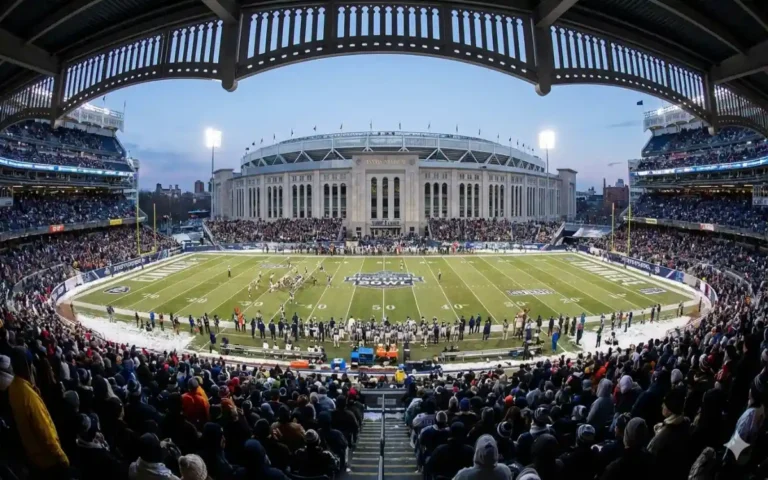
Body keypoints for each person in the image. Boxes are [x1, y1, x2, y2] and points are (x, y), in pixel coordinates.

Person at [0, 352, 70, 477]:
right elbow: (44, 430)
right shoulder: (28, 395)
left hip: (32, 454)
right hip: (46, 459)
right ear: (27, 367)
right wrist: (61, 456)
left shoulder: (14, 387)